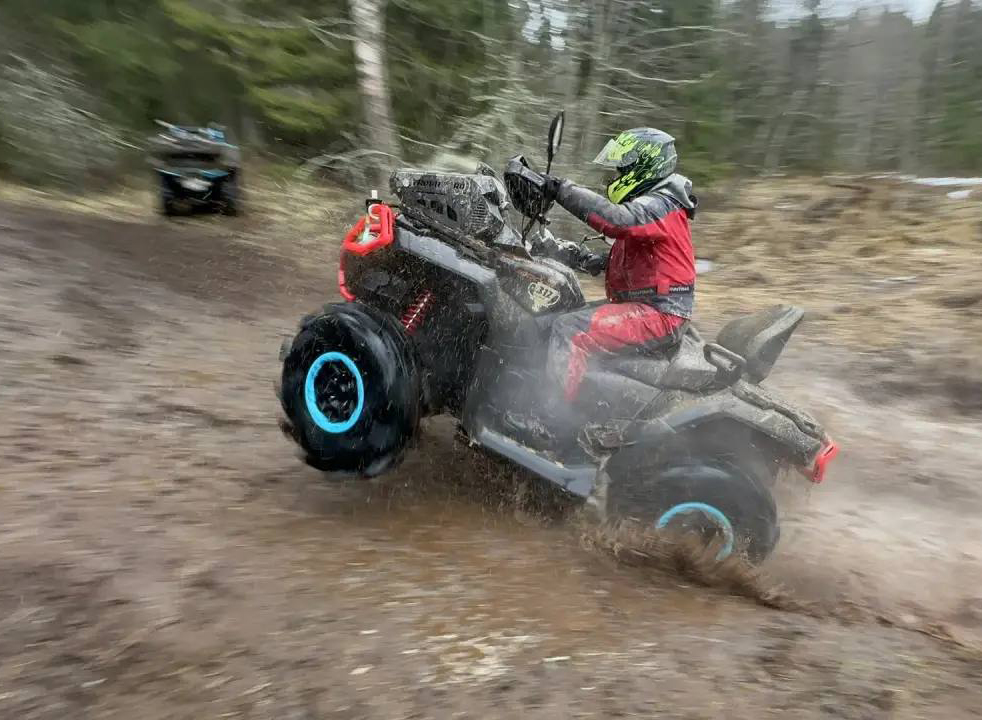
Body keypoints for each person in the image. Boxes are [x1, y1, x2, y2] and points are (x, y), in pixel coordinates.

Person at [539, 127, 698, 403]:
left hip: (659, 313)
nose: (617, 176)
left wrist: (560, 190)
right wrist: (571, 254)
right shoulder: (656, 205)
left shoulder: (661, 204)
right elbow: (633, 262)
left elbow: (617, 221)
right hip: (646, 305)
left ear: (645, 167)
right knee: (556, 312)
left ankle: (551, 419)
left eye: (623, 169)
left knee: (570, 330)